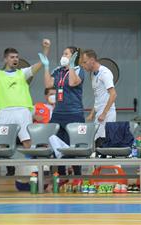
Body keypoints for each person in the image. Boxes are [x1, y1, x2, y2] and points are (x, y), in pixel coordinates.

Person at [0, 39, 51, 179]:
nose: (15, 59)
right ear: (5, 59)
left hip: (23, 112)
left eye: (16, 57)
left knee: (28, 142)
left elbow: (40, 64)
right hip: (5, 113)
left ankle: (37, 172)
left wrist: (45, 48)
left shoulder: (23, 73)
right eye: (12, 57)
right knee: (0, 144)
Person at [39, 46, 85, 176]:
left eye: (66, 54)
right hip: (58, 114)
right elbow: (48, 84)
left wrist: (71, 66)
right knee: (57, 146)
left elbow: (72, 82)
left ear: (73, 56)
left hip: (74, 113)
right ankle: (61, 176)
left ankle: (77, 176)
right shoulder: (58, 71)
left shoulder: (79, 70)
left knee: (73, 147)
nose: (63, 56)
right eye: (63, 53)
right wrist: (46, 67)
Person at [81, 49, 117, 145]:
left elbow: (113, 94)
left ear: (92, 60)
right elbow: (98, 96)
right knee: (97, 142)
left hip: (107, 114)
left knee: (103, 143)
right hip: (99, 113)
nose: (83, 66)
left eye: (85, 62)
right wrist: (92, 113)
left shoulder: (105, 73)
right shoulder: (92, 74)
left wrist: (104, 114)